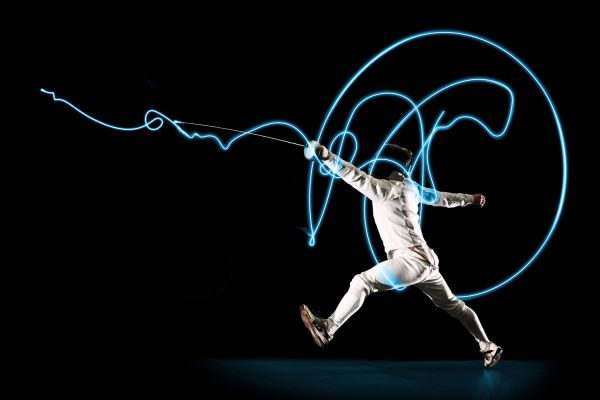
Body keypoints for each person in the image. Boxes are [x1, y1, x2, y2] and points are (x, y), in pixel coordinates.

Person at [300, 140, 502, 368]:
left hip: (410, 260)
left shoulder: (382, 189)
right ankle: (488, 345)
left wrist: (325, 154)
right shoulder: (412, 188)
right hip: (427, 262)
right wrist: (472, 199)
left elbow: (350, 173)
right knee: (456, 306)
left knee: (362, 282)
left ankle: (328, 328)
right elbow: (444, 198)